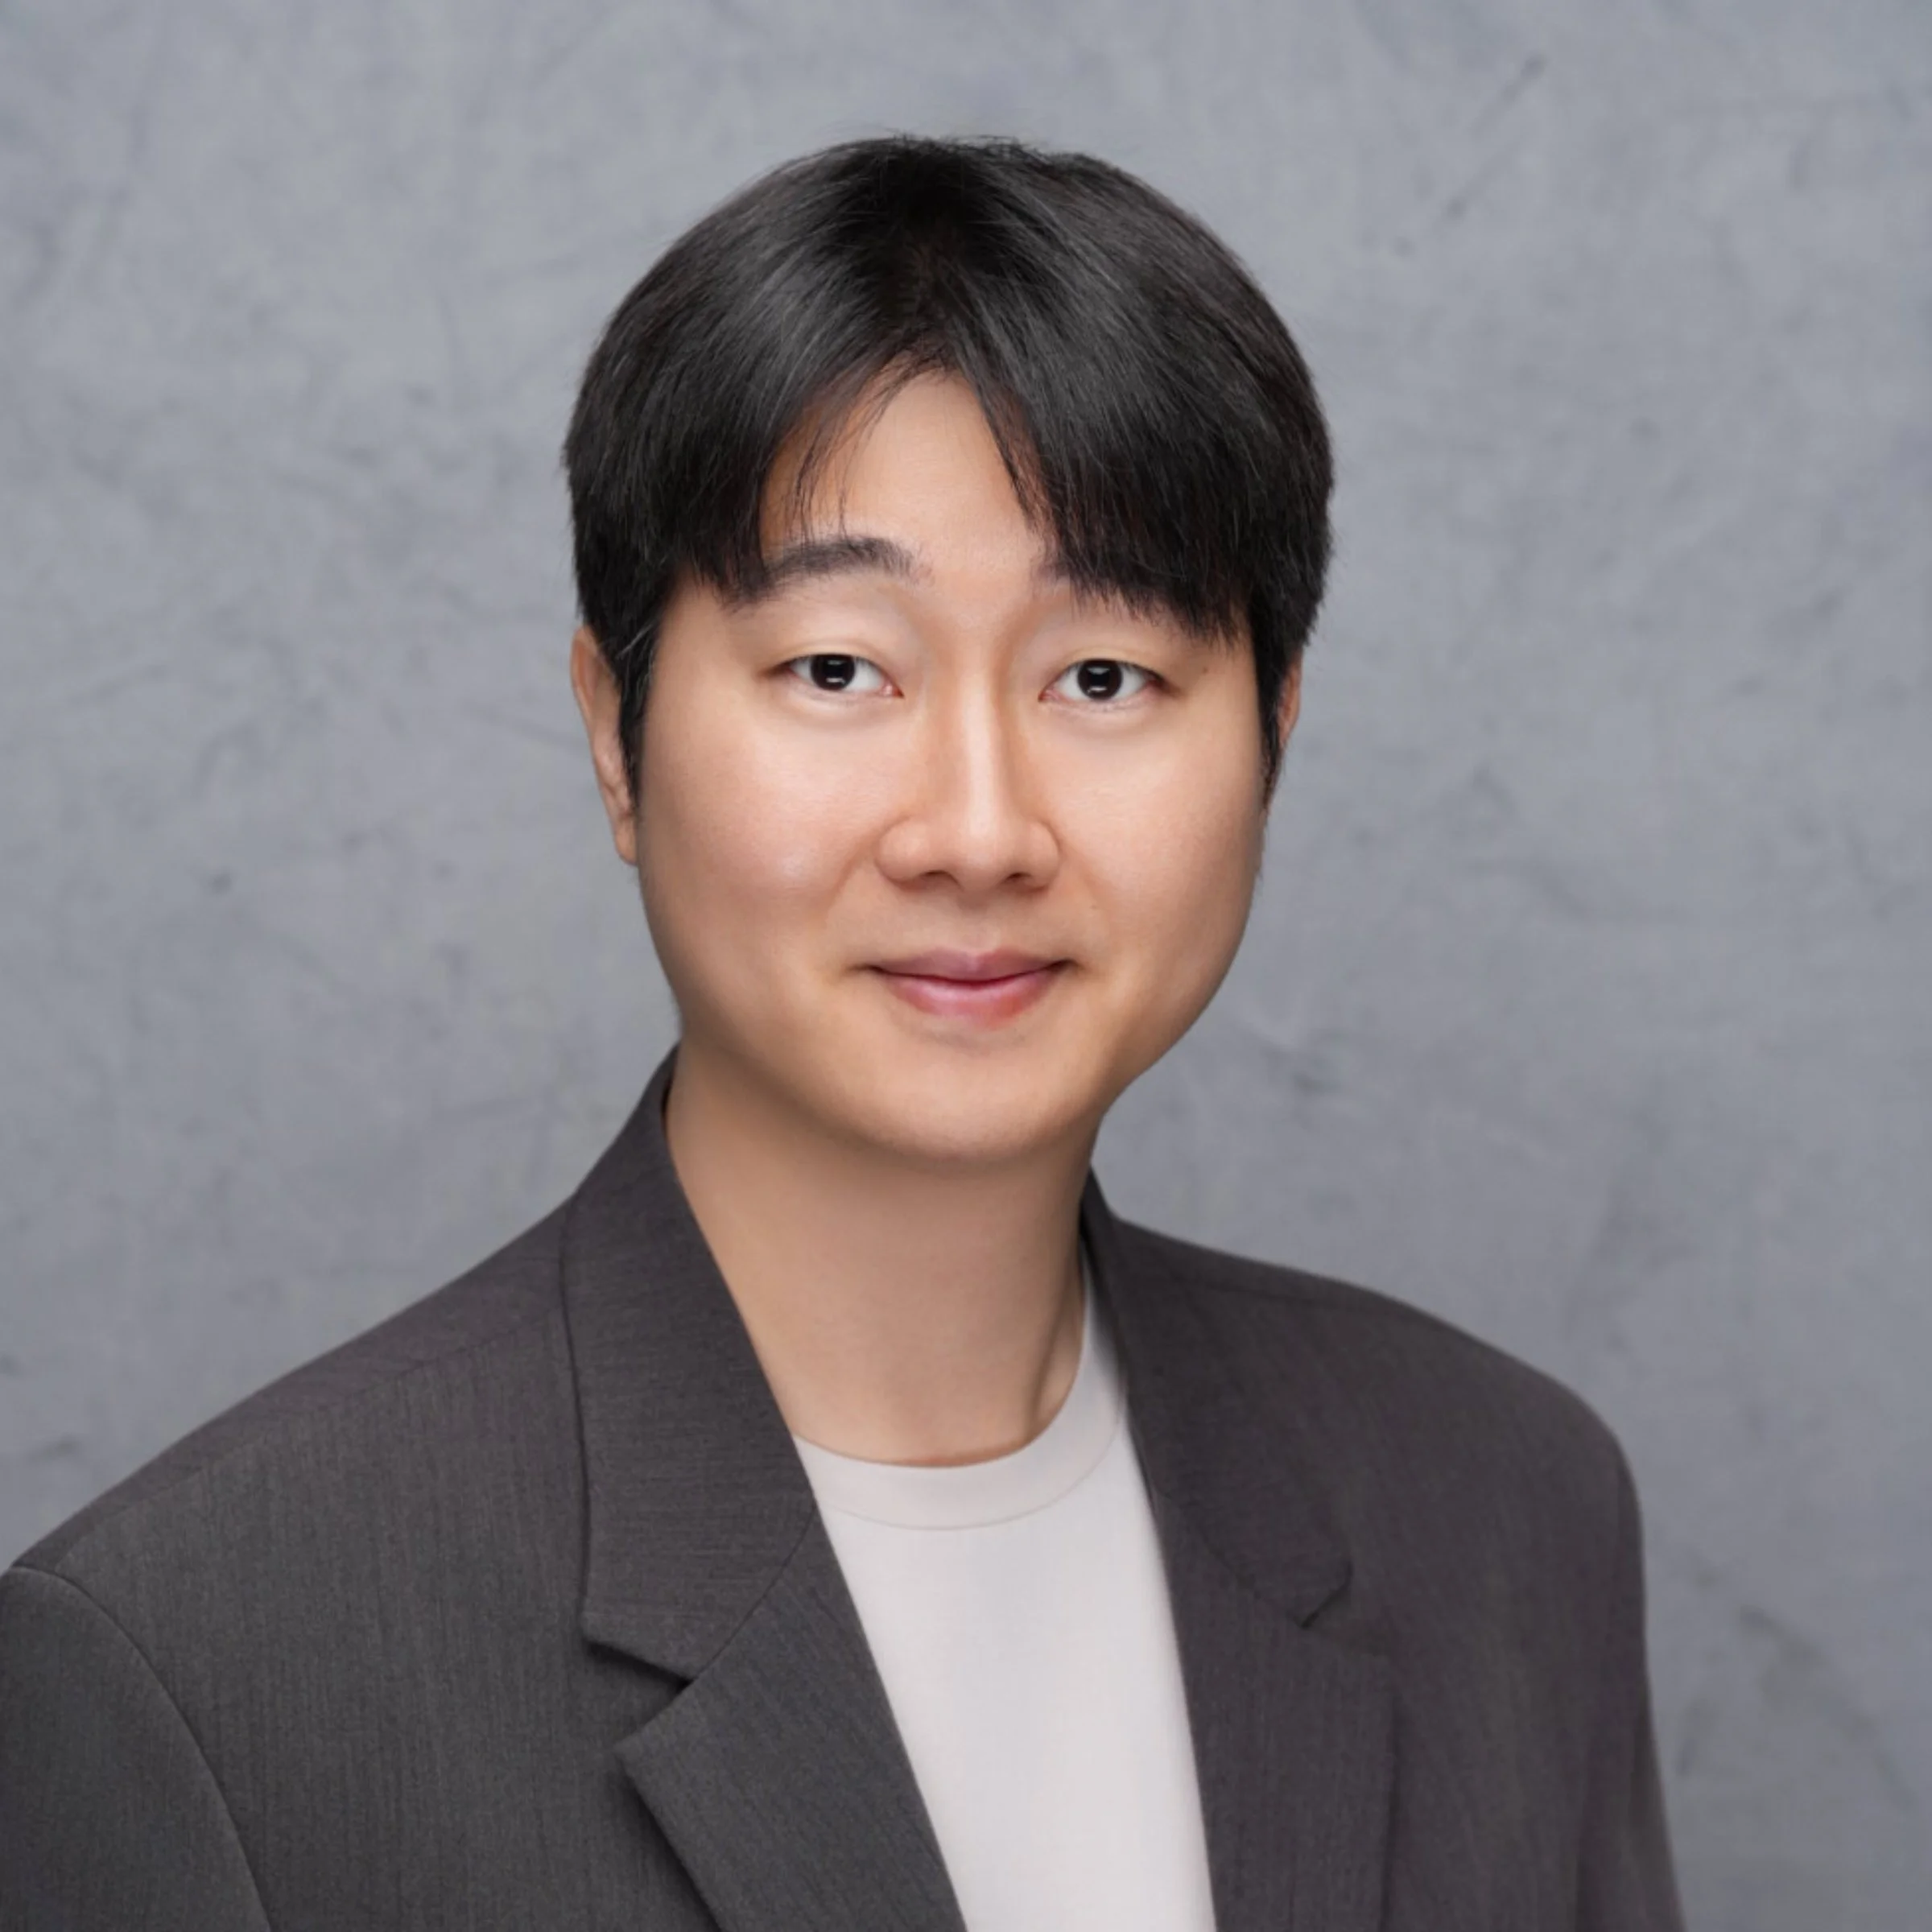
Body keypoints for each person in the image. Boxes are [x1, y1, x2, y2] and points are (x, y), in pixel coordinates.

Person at [0, 137, 1683, 1931]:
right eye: (838, 670)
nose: (977, 826)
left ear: (1273, 722)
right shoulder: (203, 1665)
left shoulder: (1506, 1516)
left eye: (1102, 677)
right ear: (612, 730)